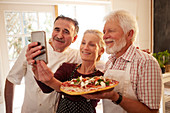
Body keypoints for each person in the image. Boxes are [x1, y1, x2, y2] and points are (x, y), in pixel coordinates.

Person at [83, 10, 162, 113]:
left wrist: (116, 97)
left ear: (129, 34)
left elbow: (151, 112)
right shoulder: (110, 62)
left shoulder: (146, 62)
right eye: (104, 32)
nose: (105, 36)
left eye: (110, 31)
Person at [5, 15, 81, 113]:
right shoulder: (32, 50)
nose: (59, 35)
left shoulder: (76, 56)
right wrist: (8, 111)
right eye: (57, 30)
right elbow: (11, 79)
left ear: (74, 38)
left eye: (66, 32)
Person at [32, 29, 105, 113]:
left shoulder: (100, 78)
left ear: (101, 51)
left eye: (92, 45)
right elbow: (47, 89)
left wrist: (51, 81)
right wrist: (38, 74)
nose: (85, 47)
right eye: (83, 43)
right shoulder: (67, 68)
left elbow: (80, 95)